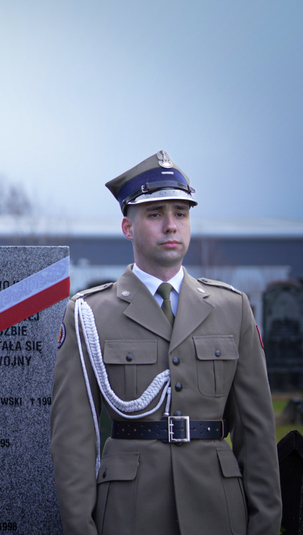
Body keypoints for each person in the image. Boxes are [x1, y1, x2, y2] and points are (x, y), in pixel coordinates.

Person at [50, 151, 281, 535]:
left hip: (218, 509)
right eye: (155, 214)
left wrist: (266, 523)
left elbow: (256, 432)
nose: (171, 226)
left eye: (181, 213)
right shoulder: (90, 314)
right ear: (128, 227)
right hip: (130, 511)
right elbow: (72, 438)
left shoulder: (232, 307)